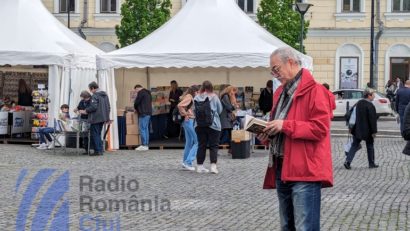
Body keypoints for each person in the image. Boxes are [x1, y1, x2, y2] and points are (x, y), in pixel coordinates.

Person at [257, 47, 333, 230]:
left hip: (305, 171)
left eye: (276, 69)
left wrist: (285, 125)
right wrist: (266, 135)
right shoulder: (280, 93)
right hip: (281, 168)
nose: (275, 74)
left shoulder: (316, 91)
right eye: (272, 71)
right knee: (287, 226)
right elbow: (279, 127)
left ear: (291, 62)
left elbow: (320, 129)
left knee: (305, 227)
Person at [344, 88, 379, 169]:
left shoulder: (358, 103)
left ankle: (347, 161)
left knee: (354, 145)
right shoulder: (370, 105)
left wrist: (350, 127)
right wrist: (374, 131)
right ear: (369, 95)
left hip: (357, 129)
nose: (374, 96)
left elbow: (352, 116)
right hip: (368, 130)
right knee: (370, 146)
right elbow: (372, 120)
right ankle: (371, 163)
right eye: (373, 94)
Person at [194, 80, 223, 174]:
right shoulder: (214, 97)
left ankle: (199, 166)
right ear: (211, 87)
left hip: (199, 125)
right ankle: (213, 166)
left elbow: (194, 110)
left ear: (202, 87)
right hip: (213, 125)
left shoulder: (197, 97)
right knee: (213, 145)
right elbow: (220, 110)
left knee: (201, 145)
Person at [79, 82, 111, 156]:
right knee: (98, 134)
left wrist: (85, 111)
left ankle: (97, 151)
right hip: (103, 117)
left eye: (90, 90)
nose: (90, 91)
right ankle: (100, 150)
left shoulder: (95, 95)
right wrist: (107, 117)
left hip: (96, 118)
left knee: (95, 134)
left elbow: (93, 107)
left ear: (93, 88)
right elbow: (108, 107)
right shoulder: (105, 95)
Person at [177, 85, 199, 171]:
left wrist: (185, 114)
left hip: (187, 121)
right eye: (197, 92)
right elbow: (180, 105)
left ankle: (185, 162)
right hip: (189, 120)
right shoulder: (189, 97)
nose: (198, 94)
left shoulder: (187, 96)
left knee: (189, 142)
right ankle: (188, 162)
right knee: (198, 142)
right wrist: (185, 114)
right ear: (194, 91)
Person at [133, 84, 152, 151]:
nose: (136, 92)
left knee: (142, 129)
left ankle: (144, 145)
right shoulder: (148, 92)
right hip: (148, 113)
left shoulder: (140, 93)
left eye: (135, 90)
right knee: (146, 129)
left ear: (137, 88)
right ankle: (146, 144)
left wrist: (135, 107)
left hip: (143, 113)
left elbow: (136, 102)